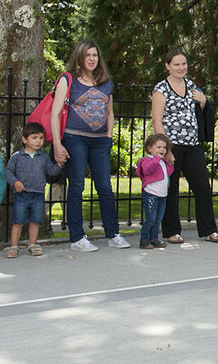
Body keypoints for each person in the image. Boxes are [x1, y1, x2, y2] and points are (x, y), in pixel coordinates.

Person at [50, 40, 132, 252]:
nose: (92, 59)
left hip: (100, 143)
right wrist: (58, 144)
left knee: (104, 186)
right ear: (79, 57)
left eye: (95, 55)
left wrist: (108, 135)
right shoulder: (68, 80)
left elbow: (110, 112)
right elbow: (55, 113)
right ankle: (77, 238)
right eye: (88, 55)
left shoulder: (106, 83)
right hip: (74, 139)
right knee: (76, 186)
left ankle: (113, 234)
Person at [151, 49, 218, 244]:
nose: (181, 68)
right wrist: (165, 150)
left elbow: (196, 113)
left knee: (202, 187)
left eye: (184, 64)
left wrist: (203, 102)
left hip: (193, 145)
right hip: (172, 146)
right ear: (167, 66)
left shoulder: (191, 85)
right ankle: (171, 231)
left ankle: (209, 230)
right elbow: (157, 121)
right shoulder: (161, 89)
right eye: (176, 64)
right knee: (171, 188)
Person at [5, 122, 62, 258]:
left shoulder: (43, 157)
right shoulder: (17, 156)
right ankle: (14, 246)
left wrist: (59, 164)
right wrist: (15, 182)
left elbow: (52, 172)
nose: (38, 141)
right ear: (25, 139)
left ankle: (32, 244)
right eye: (34, 138)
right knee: (18, 221)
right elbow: (8, 172)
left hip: (38, 194)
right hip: (21, 194)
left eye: (41, 138)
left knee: (35, 221)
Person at [136, 133, 174, 250]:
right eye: (158, 147)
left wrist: (170, 162)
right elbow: (149, 170)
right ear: (149, 148)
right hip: (151, 195)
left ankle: (154, 238)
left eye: (164, 147)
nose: (162, 150)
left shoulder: (162, 162)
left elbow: (168, 173)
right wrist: (157, 159)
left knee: (158, 219)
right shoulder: (147, 161)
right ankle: (144, 240)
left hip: (162, 195)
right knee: (151, 219)